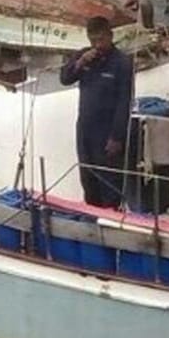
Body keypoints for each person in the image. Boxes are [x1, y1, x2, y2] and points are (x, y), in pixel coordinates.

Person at [61, 16, 136, 208]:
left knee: (109, 180)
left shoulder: (122, 63)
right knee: (88, 177)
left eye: (101, 39)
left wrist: (117, 137)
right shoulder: (85, 57)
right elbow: (65, 78)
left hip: (107, 131)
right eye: (93, 40)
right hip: (85, 129)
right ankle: (91, 212)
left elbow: (124, 102)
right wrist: (79, 63)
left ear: (110, 36)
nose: (97, 45)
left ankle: (111, 213)